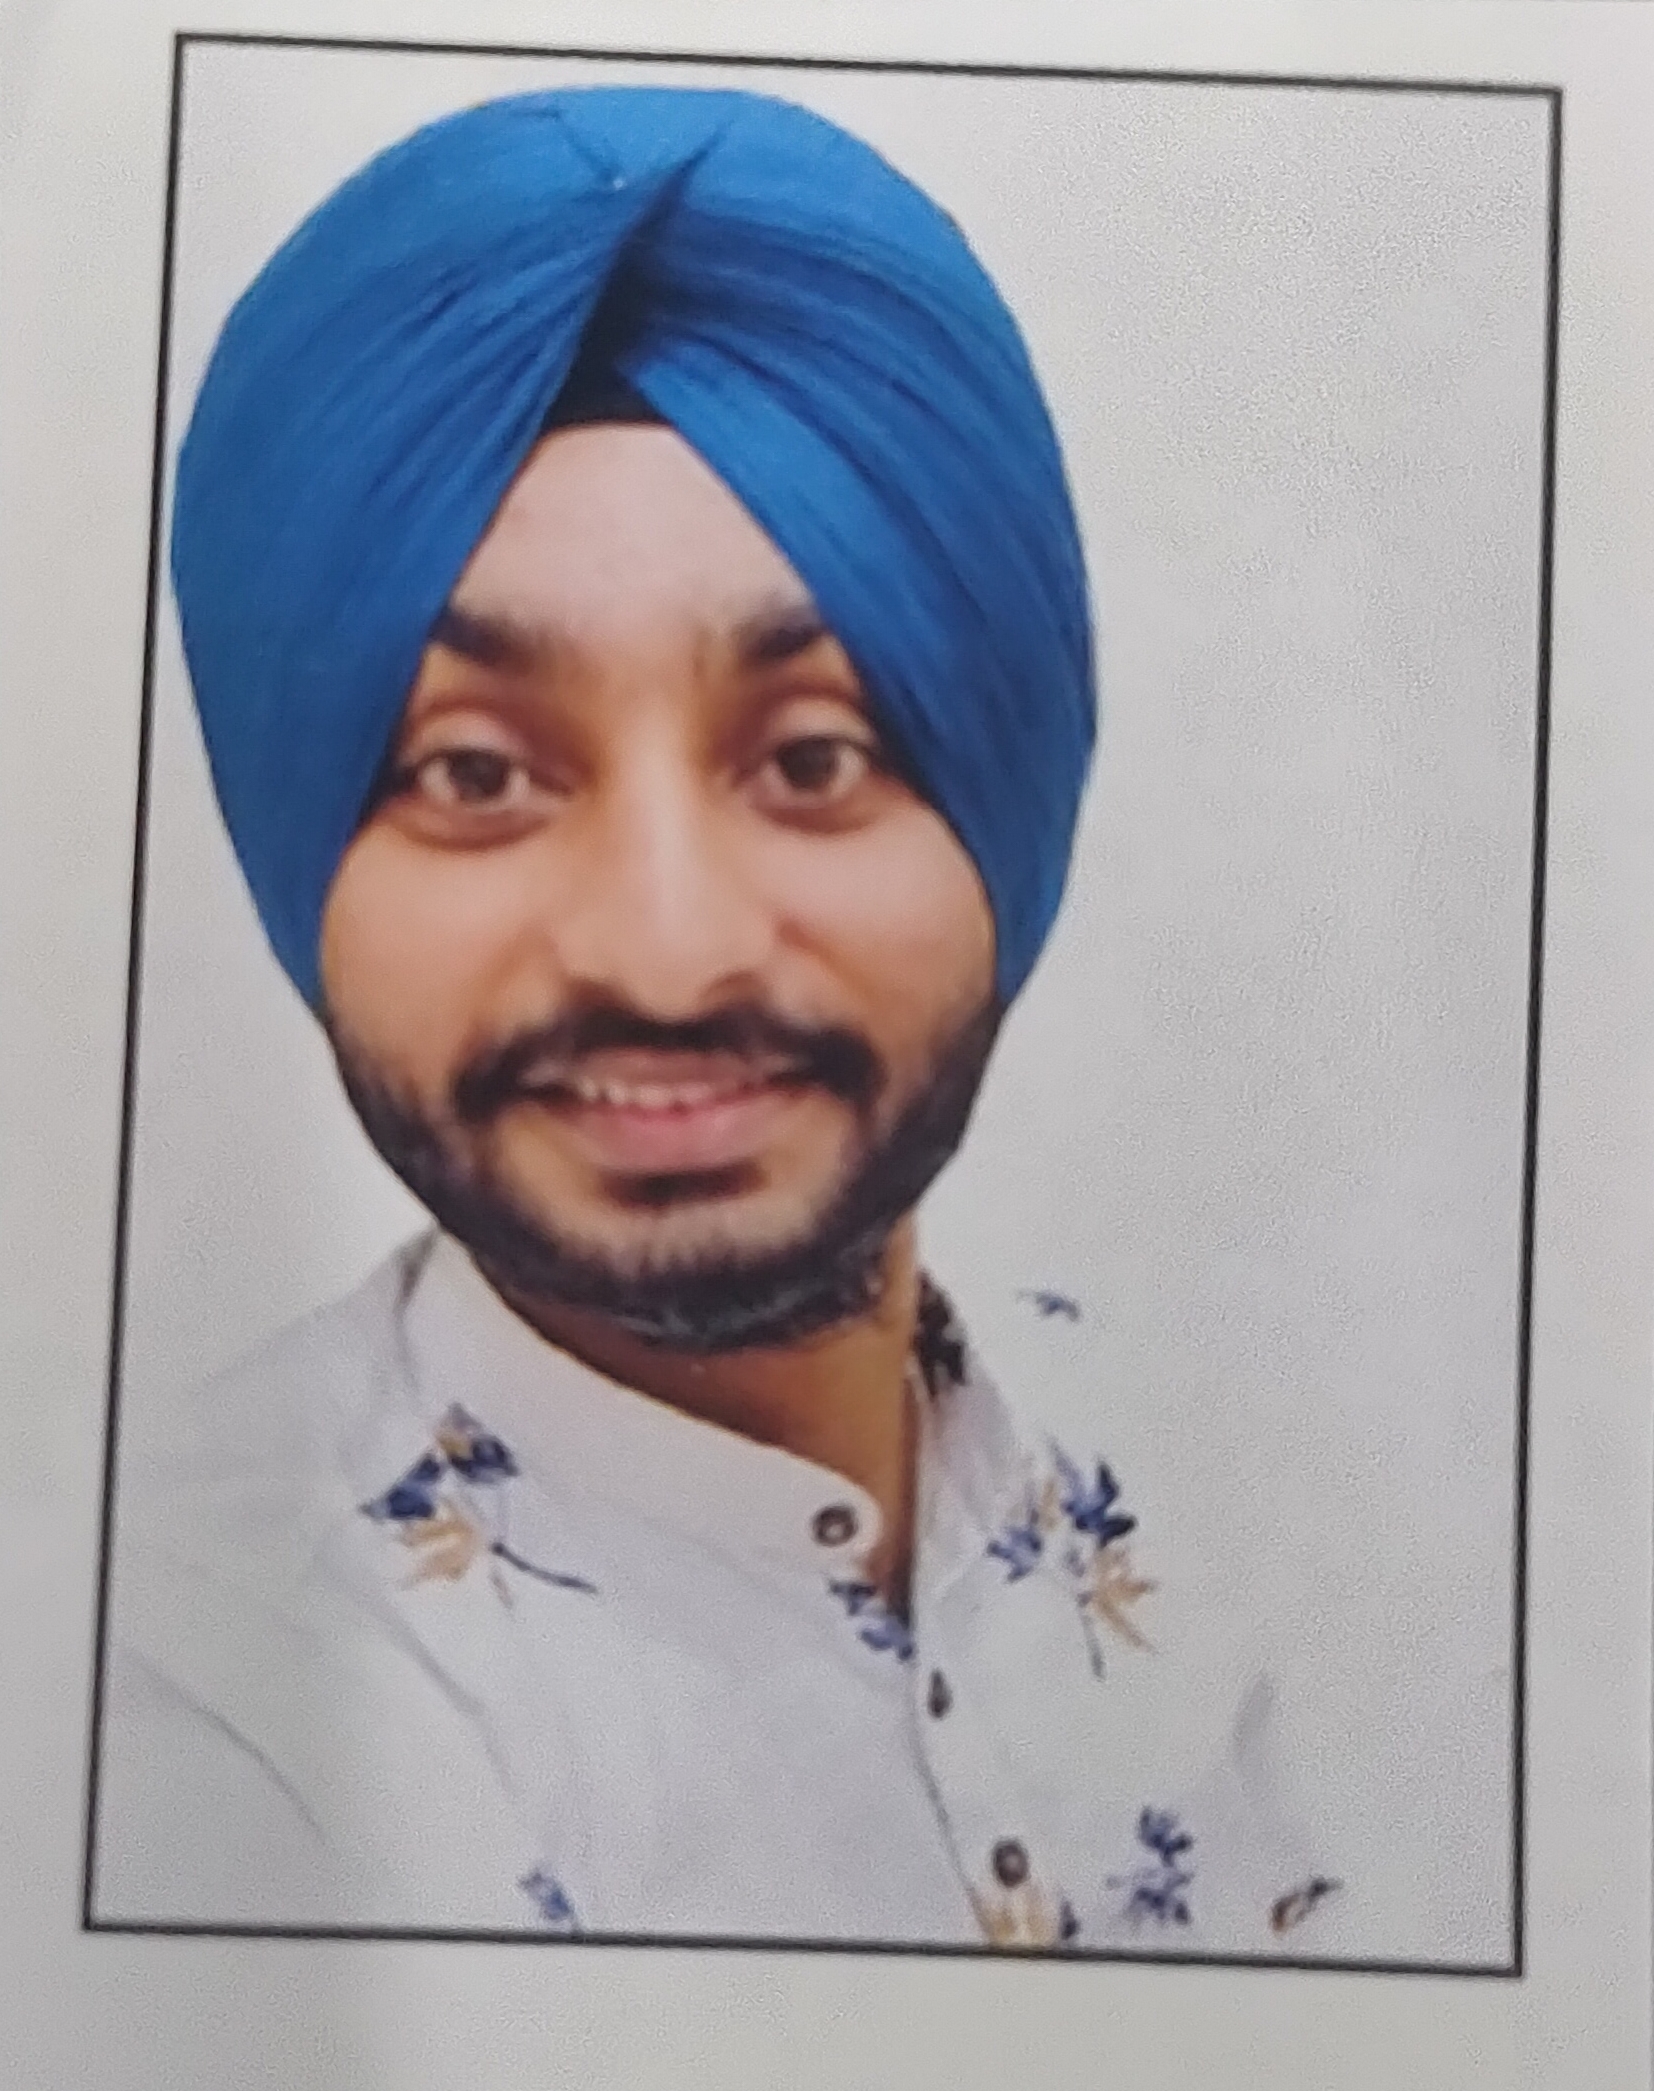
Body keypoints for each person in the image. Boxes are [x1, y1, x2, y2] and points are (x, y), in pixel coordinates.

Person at [94, 84, 1347, 1955]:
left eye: (816, 756)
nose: (665, 957)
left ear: (1011, 804)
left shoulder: (1293, 1517)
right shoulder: (170, 1703)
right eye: (472, 771)